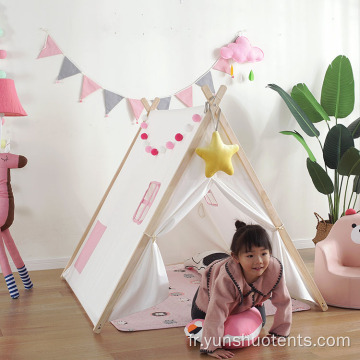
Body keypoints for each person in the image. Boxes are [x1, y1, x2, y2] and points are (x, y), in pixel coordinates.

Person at [191, 220, 292, 358]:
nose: (259, 261)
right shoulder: (227, 278)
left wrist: (279, 332)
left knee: (261, 320)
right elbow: (216, 309)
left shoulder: (275, 270)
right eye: (250, 256)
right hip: (209, 301)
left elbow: (283, 302)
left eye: (264, 254)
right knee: (203, 318)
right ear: (235, 257)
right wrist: (212, 347)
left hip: (247, 302)